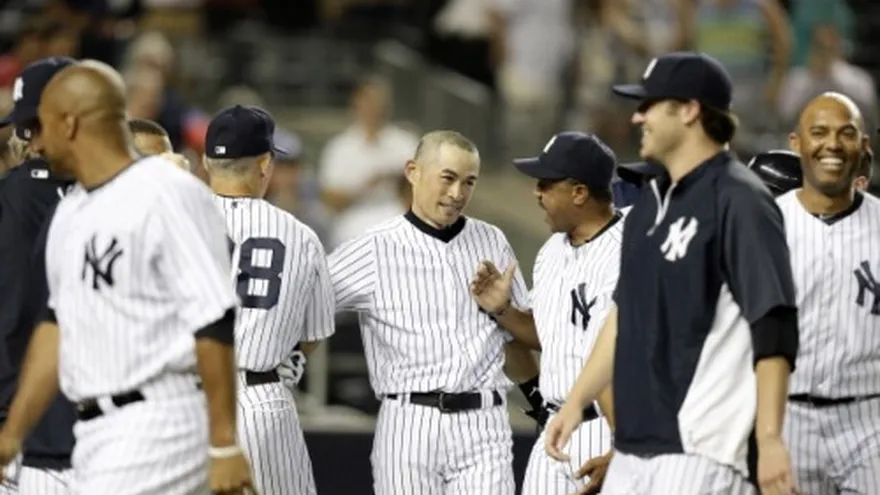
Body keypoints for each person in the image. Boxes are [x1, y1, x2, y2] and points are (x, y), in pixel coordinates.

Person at [544, 52, 799, 495]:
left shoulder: (739, 199)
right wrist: (577, 399)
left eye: (649, 105)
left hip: (702, 447)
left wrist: (770, 438)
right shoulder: (647, 204)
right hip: (633, 446)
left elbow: (773, 325)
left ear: (689, 110)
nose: (638, 116)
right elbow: (624, 314)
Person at [0, 60, 253, 494]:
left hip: (158, 419)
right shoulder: (74, 209)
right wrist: (12, 435)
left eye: (35, 126)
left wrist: (224, 443)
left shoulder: (167, 191)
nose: (31, 143)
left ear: (69, 122)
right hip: (94, 432)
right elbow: (55, 326)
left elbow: (214, 320)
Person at [328, 130, 530, 494]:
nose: (457, 194)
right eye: (448, 178)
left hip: (483, 422)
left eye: (469, 182)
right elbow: (306, 305)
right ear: (413, 171)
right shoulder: (373, 247)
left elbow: (529, 333)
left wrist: (503, 309)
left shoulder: (492, 240)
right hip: (408, 422)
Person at [470, 131, 622, 495]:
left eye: (545, 184)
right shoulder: (551, 251)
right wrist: (503, 310)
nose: (536, 193)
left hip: (608, 427)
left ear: (580, 193)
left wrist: (623, 448)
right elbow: (549, 334)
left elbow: (619, 354)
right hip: (555, 425)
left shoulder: (629, 248)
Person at [202, 104, 334, 494]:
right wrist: (285, 365)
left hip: (186, 402)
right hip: (261, 399)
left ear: (207, 162)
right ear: (264, 164)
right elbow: (316, 330)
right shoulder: (299, 235)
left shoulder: (177, 219)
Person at [778, 91, 880, 495]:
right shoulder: (767, 226)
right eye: (818, 132)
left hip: (870, 420)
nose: (832, 144)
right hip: (788, 417)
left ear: (864, 146)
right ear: (796, 143)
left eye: (846, 133)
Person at [0, 56, 78, 495]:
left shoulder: (5, 200)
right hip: (122, 432)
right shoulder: (127, 197)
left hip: (21, 430)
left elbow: (9, 318)